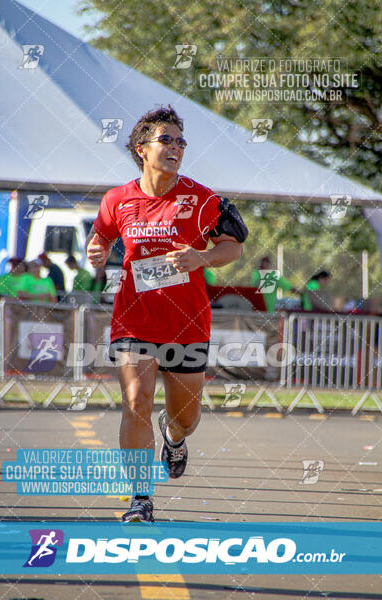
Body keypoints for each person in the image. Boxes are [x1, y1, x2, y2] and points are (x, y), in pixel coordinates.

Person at [86, 105, 247, 523]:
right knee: (135, 402)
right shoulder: (117, 199)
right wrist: (96, 251)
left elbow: (234, 246)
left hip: (187, 322)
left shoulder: (202, 198)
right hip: (134, 319)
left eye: (180, 141)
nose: (175, 147)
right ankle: (141, 499)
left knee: (186, 418)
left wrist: (202, 258)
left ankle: (173, 438)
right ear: (142, 148)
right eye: (166, 140)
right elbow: (100, 235)